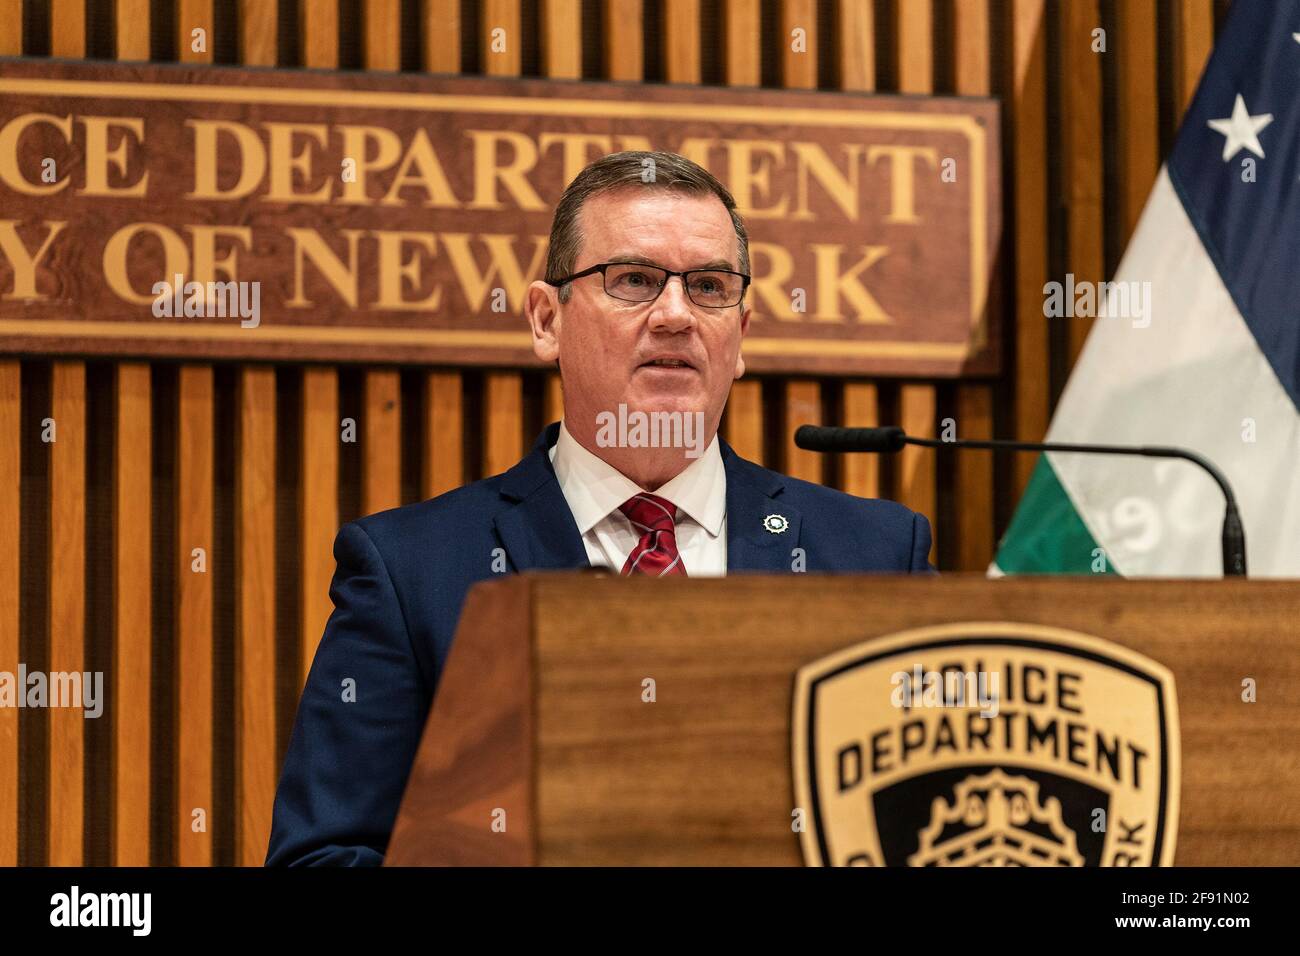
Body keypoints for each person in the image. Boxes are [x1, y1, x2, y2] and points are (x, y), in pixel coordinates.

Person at [266, 150, 934, 866]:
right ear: (546, 320)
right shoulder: (411, 572)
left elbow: (930, 826)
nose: (676, 315)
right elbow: (321, 858)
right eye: (636, 280)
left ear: (742, 335)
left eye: (709, 287)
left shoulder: (876, 555)